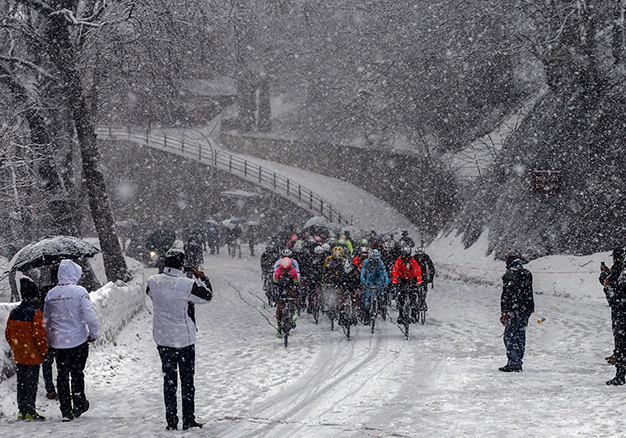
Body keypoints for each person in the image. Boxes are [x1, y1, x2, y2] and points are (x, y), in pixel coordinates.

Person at [147, 249, 213, 430]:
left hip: (163, 339)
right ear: (182, 265)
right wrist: (202, 278)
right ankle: (188, 419)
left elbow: (150, 294)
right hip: (184, 339)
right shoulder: (187, 284)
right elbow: (207, 297)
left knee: (169, 381)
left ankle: (171, 421)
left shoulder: (152, 282)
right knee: (187, 381)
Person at [43, 259, 99, 422]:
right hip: (78, 340)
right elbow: (90, 315)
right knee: (77, 373)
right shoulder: (80, 292)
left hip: (59, 343)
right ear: (75, 274)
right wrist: (93, 333)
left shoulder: (51, 294)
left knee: (62, 375)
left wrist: (48, 339)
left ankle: (65, 410)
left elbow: (46, 320)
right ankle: (79, 402)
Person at [5, 276, 48, 421]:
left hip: (19, 354)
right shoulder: (35, 313)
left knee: (21, 383)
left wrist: (16, 347)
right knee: (31, 383)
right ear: (34, 297)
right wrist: (44, 351)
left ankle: (21, 410)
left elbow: (8, 334)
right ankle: (30, 410)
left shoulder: (14, 312)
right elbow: (40, 336)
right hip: (33, 355)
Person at [499, 252, 534, 373]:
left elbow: (507, 294)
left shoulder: (509, 274)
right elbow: (528, 293)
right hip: (526, 309)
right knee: (520, 334)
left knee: (509, 336)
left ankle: (513, 362)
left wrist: (505, 311)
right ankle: (518, 360)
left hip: (514, 309)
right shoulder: (527, 273)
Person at [600, 247, 626, 385]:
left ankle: (620, 375)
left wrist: (606, 283)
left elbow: (614, 298)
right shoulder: (622, 270)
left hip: (621, 314)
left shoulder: (619, 271)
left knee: (621, 344)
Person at [391, 246, 422, 324]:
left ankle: (413, 315)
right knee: (400, 298)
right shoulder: (399, 261)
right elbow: (395, 270)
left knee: (413, 298)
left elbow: (417, 271)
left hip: (411, 280)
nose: (406, 258)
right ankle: (401, 315)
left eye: (407, 256)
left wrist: (419, 281)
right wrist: (394, 281)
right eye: (404, 256)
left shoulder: (412, 261)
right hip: (402, 280)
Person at [273, 257, 299, 337]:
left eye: (287, 269)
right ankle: (279, 327)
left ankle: (292, 312)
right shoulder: (278, 272)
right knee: (279, 309)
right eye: (284, 270)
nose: (285, 271)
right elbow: (275, 286)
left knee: (292, 295)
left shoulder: (293, 271)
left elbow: (297, 285)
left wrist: (297, 295)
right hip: (281, 290)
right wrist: (276, 296)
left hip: (290, 288)